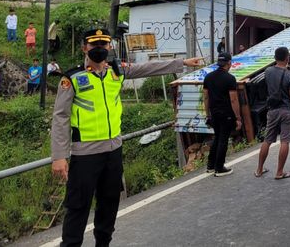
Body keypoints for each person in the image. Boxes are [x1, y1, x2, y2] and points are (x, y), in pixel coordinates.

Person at [51, 28, 203, 247]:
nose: (99, 49)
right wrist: (59, 156)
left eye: (103, 44)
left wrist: (182, 63)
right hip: (84, 154)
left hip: (113, 152)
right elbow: (60, 117)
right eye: (94, 45)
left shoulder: (117, 71)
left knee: (109, 204)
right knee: (77, 207)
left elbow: (148, 67)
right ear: (85, 47)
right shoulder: (72, 78)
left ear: (109, 46)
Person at [255, 47, 290, 179]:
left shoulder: (268, 71)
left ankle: (259, 169)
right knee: (284, 141)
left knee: (267, 140)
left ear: (275, 58)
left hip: (272, 110)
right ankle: (279, 172)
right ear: (287, 58)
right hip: (286, 111)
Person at [203, 53, 242, 176]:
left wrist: (207, 114)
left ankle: (210, 166)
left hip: (214, 113)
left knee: (217, 137)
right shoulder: (230, 78)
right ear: (229, 63)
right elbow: (233, 100)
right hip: (226, 113)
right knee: (223, 139)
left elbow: (205, 97)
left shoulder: (208, 77)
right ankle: (219, 168)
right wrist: (238, 117)